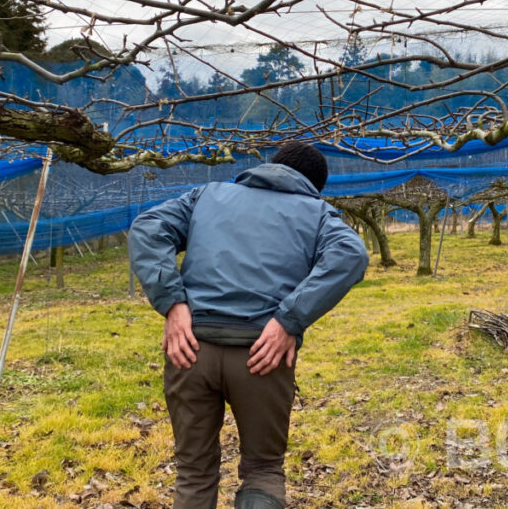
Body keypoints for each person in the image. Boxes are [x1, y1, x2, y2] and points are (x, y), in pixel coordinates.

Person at [129, 142, 369, 509]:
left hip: (190, 350)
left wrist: (173, 304)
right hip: (263, 356)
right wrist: (289, 320)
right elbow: (351, 254)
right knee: (263, 469)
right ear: (314, 185)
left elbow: (147, 228)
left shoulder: (206, 195)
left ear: (271, 166)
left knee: (193, 470)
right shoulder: (317, 212)